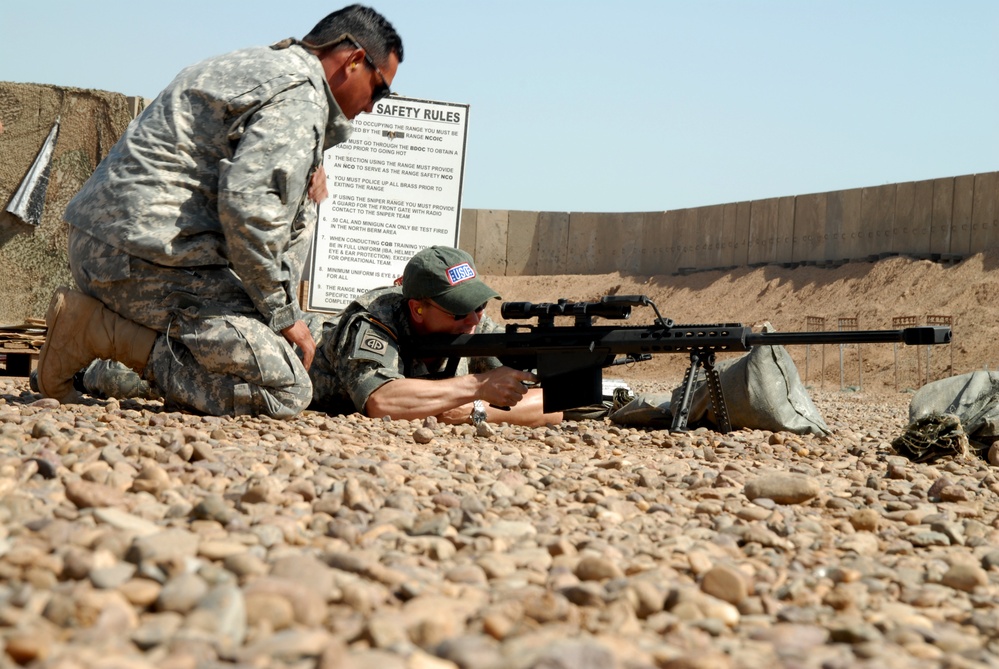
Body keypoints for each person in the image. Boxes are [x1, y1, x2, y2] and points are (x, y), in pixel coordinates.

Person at [34, 5, 403, 418]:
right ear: (354, 60)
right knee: (290, 387)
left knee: (262, 341)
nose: (373, 107)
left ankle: (97, 350)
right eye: (379, 89)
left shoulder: (260, 65)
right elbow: (250, 209)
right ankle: (98, 335)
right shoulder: (302, 96)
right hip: (142, 260)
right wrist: (281, 314)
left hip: (112, 244)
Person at [306, 246, 563, 427]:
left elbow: (553, 404)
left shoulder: (476, 326)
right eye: (460, 309)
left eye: (479, 305)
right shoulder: (374, 319)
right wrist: (479, 386)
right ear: (418, 309)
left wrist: (474, 410)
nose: (474, 319)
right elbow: (382, 401)